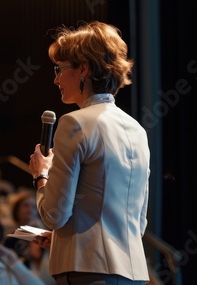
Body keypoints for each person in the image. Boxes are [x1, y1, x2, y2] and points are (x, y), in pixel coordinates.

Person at [28, 21, 150, 284]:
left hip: (88, 273)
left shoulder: (75, 122)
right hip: (134, 273)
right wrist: (64, 240)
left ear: (83, 69)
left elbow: (54, 214)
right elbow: (137, 224)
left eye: (59, 69)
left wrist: (41, 175)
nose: (56, 79)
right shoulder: (137, 130)